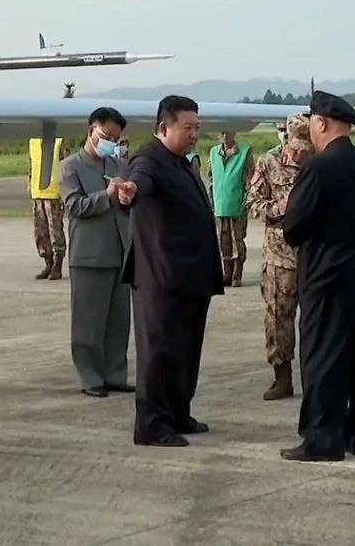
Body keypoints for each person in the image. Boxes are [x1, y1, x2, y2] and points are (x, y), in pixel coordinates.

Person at [280, 91, 355, 461]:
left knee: (323, 356)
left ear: (321, 123)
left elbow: (293, 226)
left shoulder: (319, 167)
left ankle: (323, 438)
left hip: (327, 277)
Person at [120, 96, 223, 447]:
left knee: (186, 351)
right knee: (159, 352)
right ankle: (152, 425)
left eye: (198, 128)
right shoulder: (148, 160)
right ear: (163, 127)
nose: (194, 134)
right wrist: (130, 191)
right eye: (187, 128)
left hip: (191, 275)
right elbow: (138, 183)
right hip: (161, 276)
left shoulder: (181, 162)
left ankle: (178, 413)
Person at [60, 108, 134, 397]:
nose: (110, 142)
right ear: (91, 131)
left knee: (118, 322)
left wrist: (127, 196)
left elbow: (126, 203)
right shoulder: (70, 167)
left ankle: (115, 374)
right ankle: (91, 378)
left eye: (116, 138)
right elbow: (75, 206)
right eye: (106, 136)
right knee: (88, 323)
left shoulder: (117, 164)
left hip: (119, 252)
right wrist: (107, 196)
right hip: (89, 256)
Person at [245, 113, 313, 400]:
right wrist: (281, 207)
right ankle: (282, 377)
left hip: (312, 256)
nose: (298, 154)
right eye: (296, 147)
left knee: (314, 322)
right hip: (278, 257)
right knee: (277, 320)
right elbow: (252, 202)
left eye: (304, 149)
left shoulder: (319, 165)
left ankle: (314, 379)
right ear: (286, 139)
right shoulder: (268, 162)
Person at [208, 131, 254, 287]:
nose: (225, 136)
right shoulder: (214, 152)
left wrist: (247, 202)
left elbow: (250, 180)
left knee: (237, 240)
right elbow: (211, 178)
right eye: (221, 132)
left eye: (228, 132)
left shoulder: (245, 151)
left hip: (237, 204)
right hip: (219, 205)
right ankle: (226, 272)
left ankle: (237, 273)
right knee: (223, 240)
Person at [28, 137, 71, 280]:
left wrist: (65, 192)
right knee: (40, 232)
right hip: (37, 192)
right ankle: (48, 262)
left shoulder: (58, 140)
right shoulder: (33, 140)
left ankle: (57, 266)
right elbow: (31, 164)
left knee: (55, 231)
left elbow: (66, 166)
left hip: (53, 193)